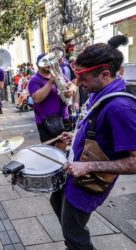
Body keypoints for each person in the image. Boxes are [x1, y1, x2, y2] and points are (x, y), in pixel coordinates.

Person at [53, 35, 136, 250]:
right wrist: (78, 135)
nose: (78, 83)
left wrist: (88, 165)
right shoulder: (99, 92)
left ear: (105, 74)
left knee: (75, 234)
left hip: (87, 182)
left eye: (83, 77)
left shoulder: (120, 108)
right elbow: (98, 129)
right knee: (57, 202)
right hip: (76, 175)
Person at [28, 53, 75, 144]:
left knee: (64, 147)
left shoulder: (57, 74)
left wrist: (71, 90)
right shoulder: (34, 80)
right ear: (38, 65)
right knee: (51, 150)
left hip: (63, 116)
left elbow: (72, 85)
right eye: (45, 63)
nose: (48, 64)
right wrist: (50, 82)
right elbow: (37, 98)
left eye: (50, 62)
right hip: (47, 121)